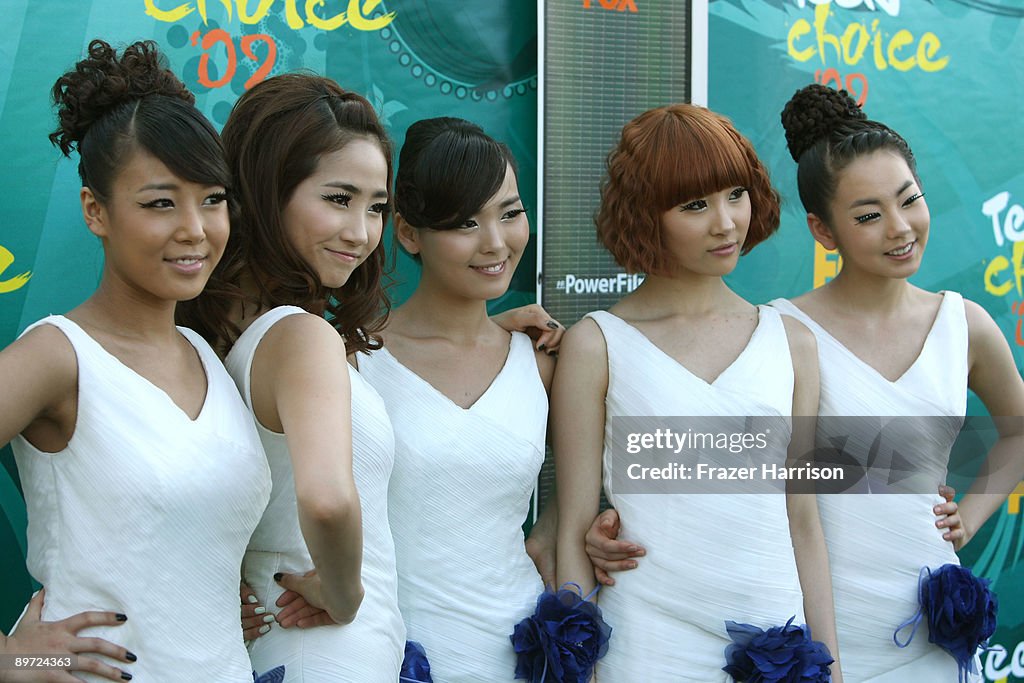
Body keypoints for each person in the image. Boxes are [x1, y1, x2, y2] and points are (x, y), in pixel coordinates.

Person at [0, 39, 271, 682]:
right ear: (97, 210)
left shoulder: (209, 353)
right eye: (159, 202)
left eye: (212, 198)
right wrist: (13, 659)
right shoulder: (58, 356)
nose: (195, 229)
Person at [553, 103, 842, 681]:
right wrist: (573, 667)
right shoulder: (596, 345)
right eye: (694, 205)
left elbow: (802, 520)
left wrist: (831, 667)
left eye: (736, 194)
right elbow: (573, 526)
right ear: (644, 216)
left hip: (773, 634)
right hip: (645, 642)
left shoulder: (792, 344)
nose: (726, 222)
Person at [767, 84, 1020, 681]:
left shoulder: (965, 324)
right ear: (823, 230)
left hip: (933, 627)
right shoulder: (781, 330)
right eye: (868, 215)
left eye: (911, 200)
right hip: (825, 624)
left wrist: (970, 519)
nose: (900, 227)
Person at [178, 73, 406, 681]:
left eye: (377, 207)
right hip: (322, 646)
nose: (361, 232)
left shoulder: (200, 343)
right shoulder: (301, 338)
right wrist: (344, 590)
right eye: (338, 198)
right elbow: (328, 500)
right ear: (266, 189)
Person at [357, 117, 556, 681]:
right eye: (466, 221)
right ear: (409, 233)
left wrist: (563, 531)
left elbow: (583, 487)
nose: (496, 242)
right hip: (395, 650)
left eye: (511, 212)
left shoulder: (541, 359)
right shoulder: (353, 359)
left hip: (522, 647)